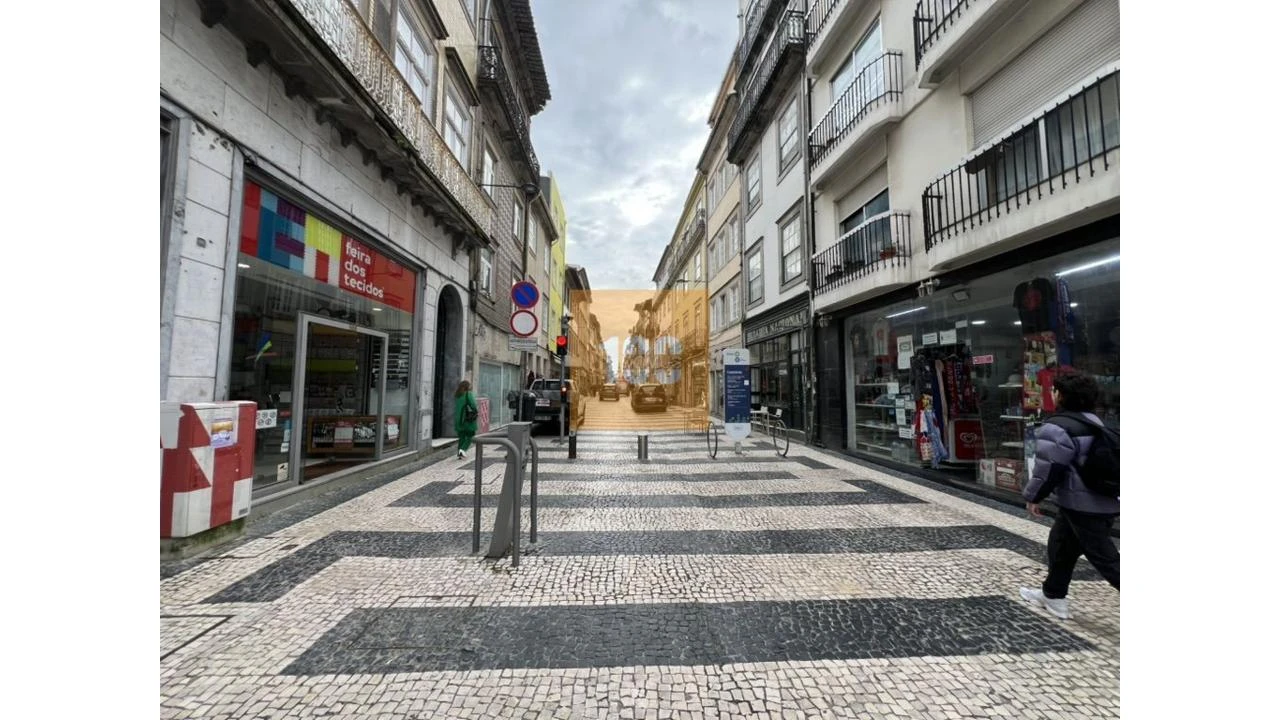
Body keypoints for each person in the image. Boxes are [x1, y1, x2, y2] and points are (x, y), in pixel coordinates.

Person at [1020, 370, 1119, 620]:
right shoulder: (1097, 423)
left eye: (1054, 390)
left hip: (1083, 505)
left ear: (1061, 395)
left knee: (1106, 560)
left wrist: (1033, 496)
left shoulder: (1057, 427)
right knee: (1060, 546)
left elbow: (1048, 469)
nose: (1052, 393)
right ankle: (1053, 595)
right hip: (1100, 500)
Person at [454, 380, 478, 460]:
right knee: (471, 435)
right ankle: (462, 450)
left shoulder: (457, 395)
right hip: (467, 419)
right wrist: (475, 411)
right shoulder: (468, 394)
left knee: (462, 437)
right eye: (470, 385)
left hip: (458, 419)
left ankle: (459, 453)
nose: (471, 386)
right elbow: (473, 405)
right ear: (467, 386)